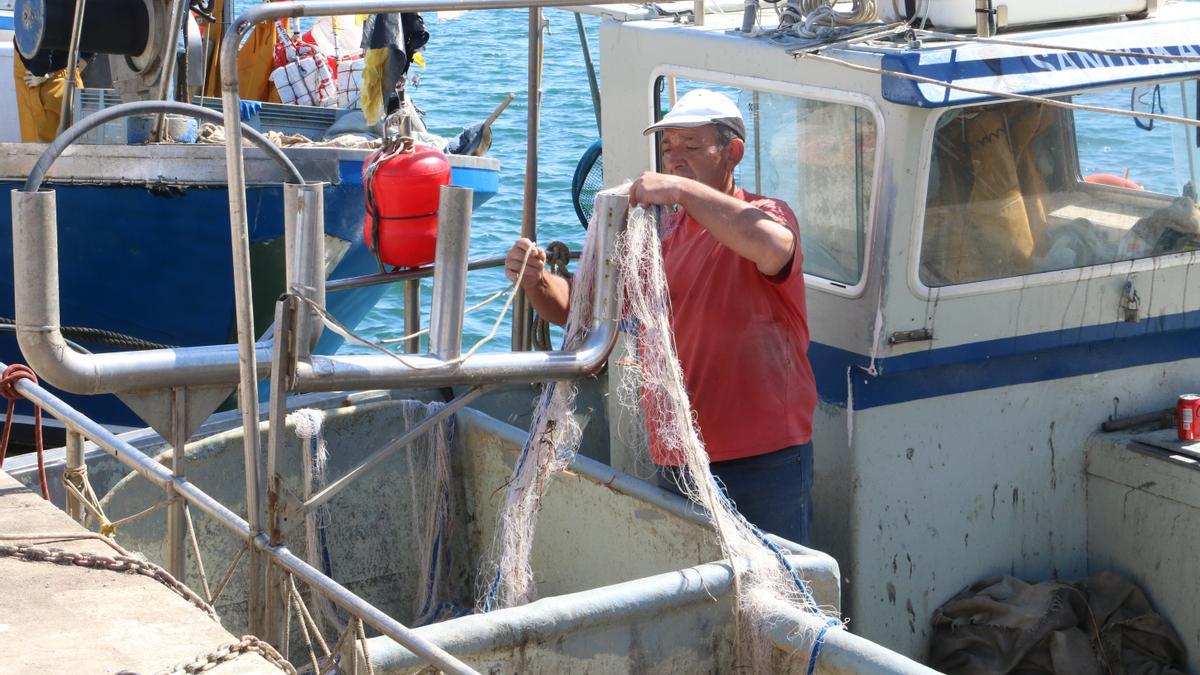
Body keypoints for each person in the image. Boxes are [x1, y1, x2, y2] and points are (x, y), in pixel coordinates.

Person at [505, 89, 817, 545]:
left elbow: (772, 247)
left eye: (690, 147)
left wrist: (679, 191)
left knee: (781, 597)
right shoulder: (660, 237)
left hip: (765, 457)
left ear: (733, 153)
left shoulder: (767, 214)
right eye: (669, 149)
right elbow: (579, 310)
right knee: (697, 602)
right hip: (679, 460)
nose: (675, 160)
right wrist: (535, 280)